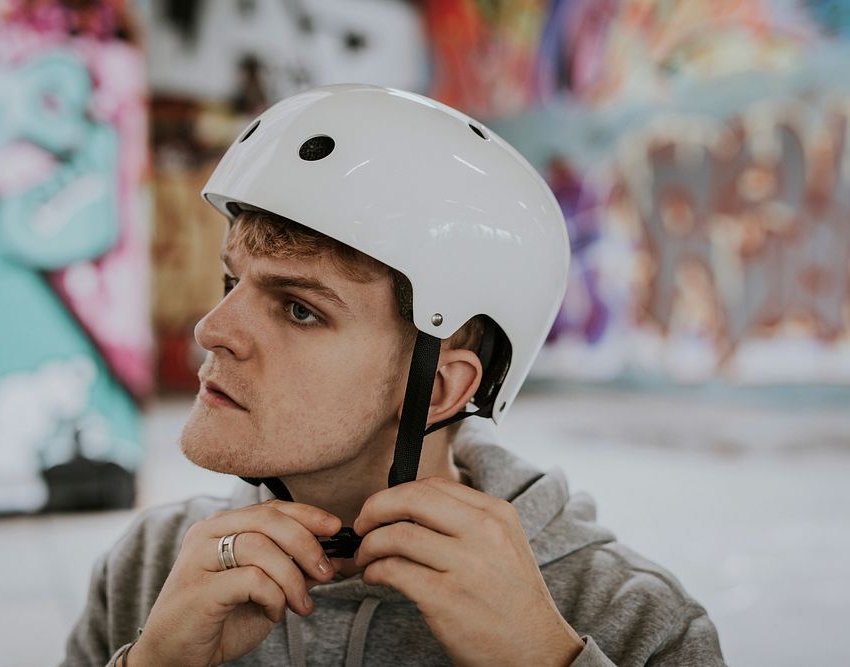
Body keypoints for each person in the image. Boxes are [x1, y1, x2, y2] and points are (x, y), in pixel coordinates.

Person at [62, 84, 726, 667]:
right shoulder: (151, 565)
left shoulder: (627, 619)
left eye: (300, 309)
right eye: (232, 281)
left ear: (439, 388)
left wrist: (546, 658)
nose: (213, 328)